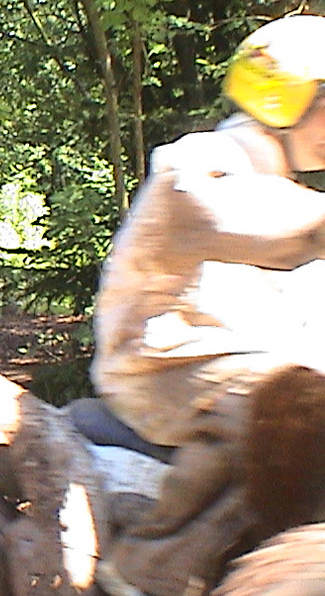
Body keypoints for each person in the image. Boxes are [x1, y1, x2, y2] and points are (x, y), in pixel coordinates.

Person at [89, 14, 325, 596]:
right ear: (288, 96)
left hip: (238, 360)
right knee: (279, 402)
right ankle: (146, 563)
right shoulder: (199, 164)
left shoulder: (291, 192)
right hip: (156, 365)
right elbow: (233, 222)